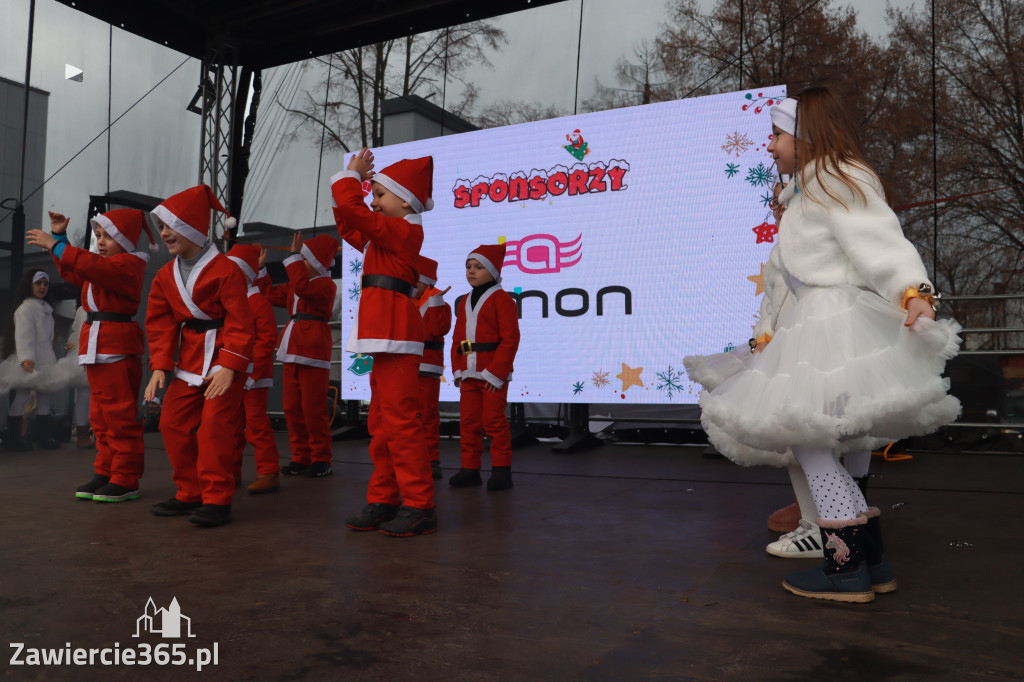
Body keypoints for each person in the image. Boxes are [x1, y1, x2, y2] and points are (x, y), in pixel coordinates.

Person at [697, 88, 962, 602]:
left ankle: (844, 567)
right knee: (845, 440)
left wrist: (914, 291)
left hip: (830, 319)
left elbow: (879, 240)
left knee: (810, 438)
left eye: (777, 135)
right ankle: (870, 562)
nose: (769, 146)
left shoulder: (834, 177)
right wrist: (767, 331)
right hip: (815, 321)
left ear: (806, 136)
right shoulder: (807, 190)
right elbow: (785, 279)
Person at [332, 149, 437, 536]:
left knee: (401, 423)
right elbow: (349, 224)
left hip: (396, 333)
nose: (373, 201)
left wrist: (351, 178)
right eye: (372, 194)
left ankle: (420, 504)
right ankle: (384, 498)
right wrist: (351, 188)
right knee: (380, 423)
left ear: (406, 200)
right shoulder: (385, 235)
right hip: (383, 334)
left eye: (379, 194)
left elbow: (357, 214)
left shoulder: (405, 231)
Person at [144, 185, 253, 527]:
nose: (163, 233)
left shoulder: (226, 270)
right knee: (171, 423)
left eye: (170, 226)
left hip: (222, 360)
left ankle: (217, 499)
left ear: (191, 225)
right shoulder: (165, 275)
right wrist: (160, 366)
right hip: (188, 361)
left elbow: (240, 320)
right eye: (161, 227)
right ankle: (189, 491)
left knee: (214, 430)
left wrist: (230, 366)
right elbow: (160, 322)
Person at [27, 209, 154, 501]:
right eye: (98, 235)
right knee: (100, 417)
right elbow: (74, 270)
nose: (101, 241)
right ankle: (106, 471)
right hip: (99, 344)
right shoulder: (105, 266)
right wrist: (60, 238)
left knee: (119, 417)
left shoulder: (128, 265)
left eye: (109, 236)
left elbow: (87, 265)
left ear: (126, 239)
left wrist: (55, 244)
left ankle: (126, 477)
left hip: (115, 346)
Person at [264, 232, 338, 479]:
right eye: (301, 258)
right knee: (292, 407)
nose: (300, 263)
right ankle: (301, 456)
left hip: (312, 347)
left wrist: (294, 257)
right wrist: (261, 271)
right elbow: (271, 294)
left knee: (313, 407)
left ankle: (321, 458)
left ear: (318, 263)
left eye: (305, 259)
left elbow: (302, 288)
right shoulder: (299, 283)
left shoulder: (326, 285)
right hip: (293, 346)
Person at [449, 243, 521, 491]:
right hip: (469, 374)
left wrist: (496, 373)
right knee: (468, 423)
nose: (471, 271)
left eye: (478, 267)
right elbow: (457, 339)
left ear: (493, 271)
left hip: (491, 374)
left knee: (493, 422)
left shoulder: (503, 300)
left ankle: (502, 471)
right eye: (468, 266)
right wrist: (458, 369)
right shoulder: (464, 301)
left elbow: (510, 339)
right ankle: (469, 469)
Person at [226, 244, 282, 494]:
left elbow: (267, 340)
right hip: (234, 374)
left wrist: (253, 372)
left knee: (256, 425)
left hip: (254, 377)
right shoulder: (232, 302)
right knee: (232, 425)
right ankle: (232, 470)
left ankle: (269, 472)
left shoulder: (258, 302)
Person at [0, 269, 62, 451]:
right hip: (29, 359)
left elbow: (47, 338)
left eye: (45, 284)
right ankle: (13, 438)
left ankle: (42, 436)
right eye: (38, 283)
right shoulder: (25, 309)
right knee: (22, 395)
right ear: (29, 285)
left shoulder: (46, 310)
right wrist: (26, 359)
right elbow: (23, 336)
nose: (42, 287)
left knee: (44, 396)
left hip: (44, 358)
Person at [413, 256, 452, 480]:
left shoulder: (441, 304)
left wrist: (436, 302)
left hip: (428, 367)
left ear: (426, 282)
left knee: (427, 413)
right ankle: (410, 458)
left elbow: (439, 329)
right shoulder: (406, 301)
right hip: (406, 366)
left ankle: (431, 459)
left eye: (415, 281)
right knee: (408, 415)